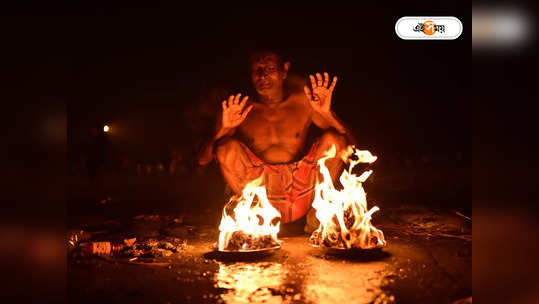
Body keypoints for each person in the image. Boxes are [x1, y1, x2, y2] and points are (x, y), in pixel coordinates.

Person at [198, 50, 354, 229]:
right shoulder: (239, 107)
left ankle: (317, 216)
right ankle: (253, 220)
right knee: (226, 147)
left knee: (335, 139)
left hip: (304, 189)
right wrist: (223, 128)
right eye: (257, 70)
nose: (262, 75)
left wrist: (328, 114)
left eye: (270, 68)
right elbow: (203, 159)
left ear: (284, 71)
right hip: (261, 193)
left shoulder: (303, 102)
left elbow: (353, 146)